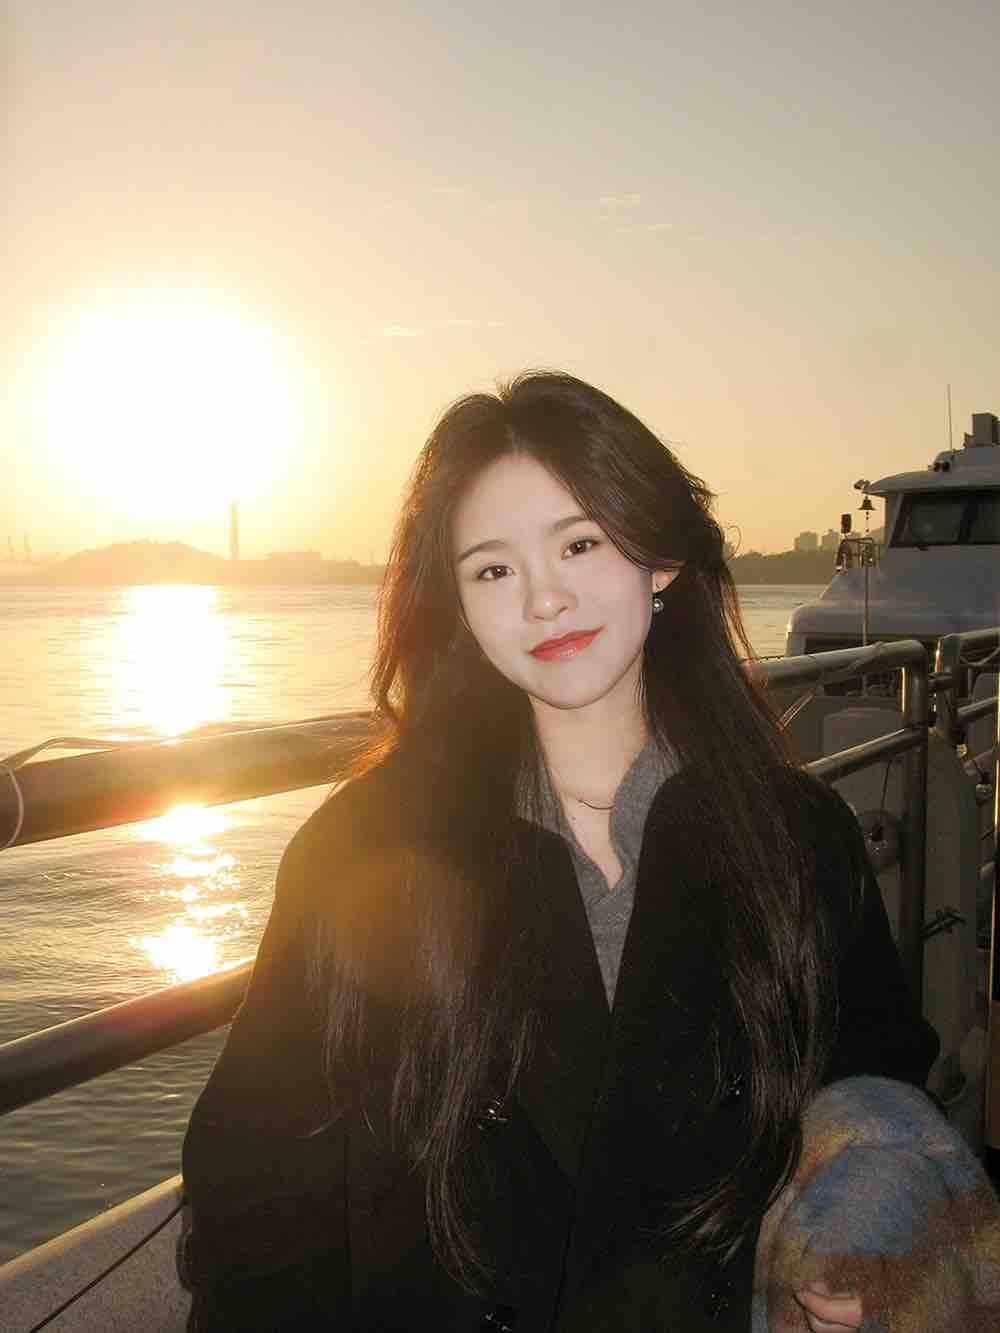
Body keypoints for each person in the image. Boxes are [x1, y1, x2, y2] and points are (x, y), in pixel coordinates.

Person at [181, 371, 937, 1331]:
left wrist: (865, 1241)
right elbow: (257, 1179)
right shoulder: (363, 853)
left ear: (659, 559)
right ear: (458, 606)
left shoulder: (798, 838)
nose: (545, 598)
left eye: (580, 543)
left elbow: (874, 1086)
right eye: (493, 570)